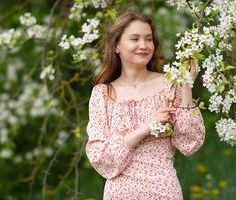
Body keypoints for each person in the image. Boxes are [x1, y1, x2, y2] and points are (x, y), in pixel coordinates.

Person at [85, 11, 205, 200]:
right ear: (117, 45)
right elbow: (102, 160)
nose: (143, 45)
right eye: (135, 39)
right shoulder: (102, 95)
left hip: (164, 192)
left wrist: (186, 86)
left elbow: (189, 143)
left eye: (148, 39)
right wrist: (144, 129)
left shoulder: (170, 85)